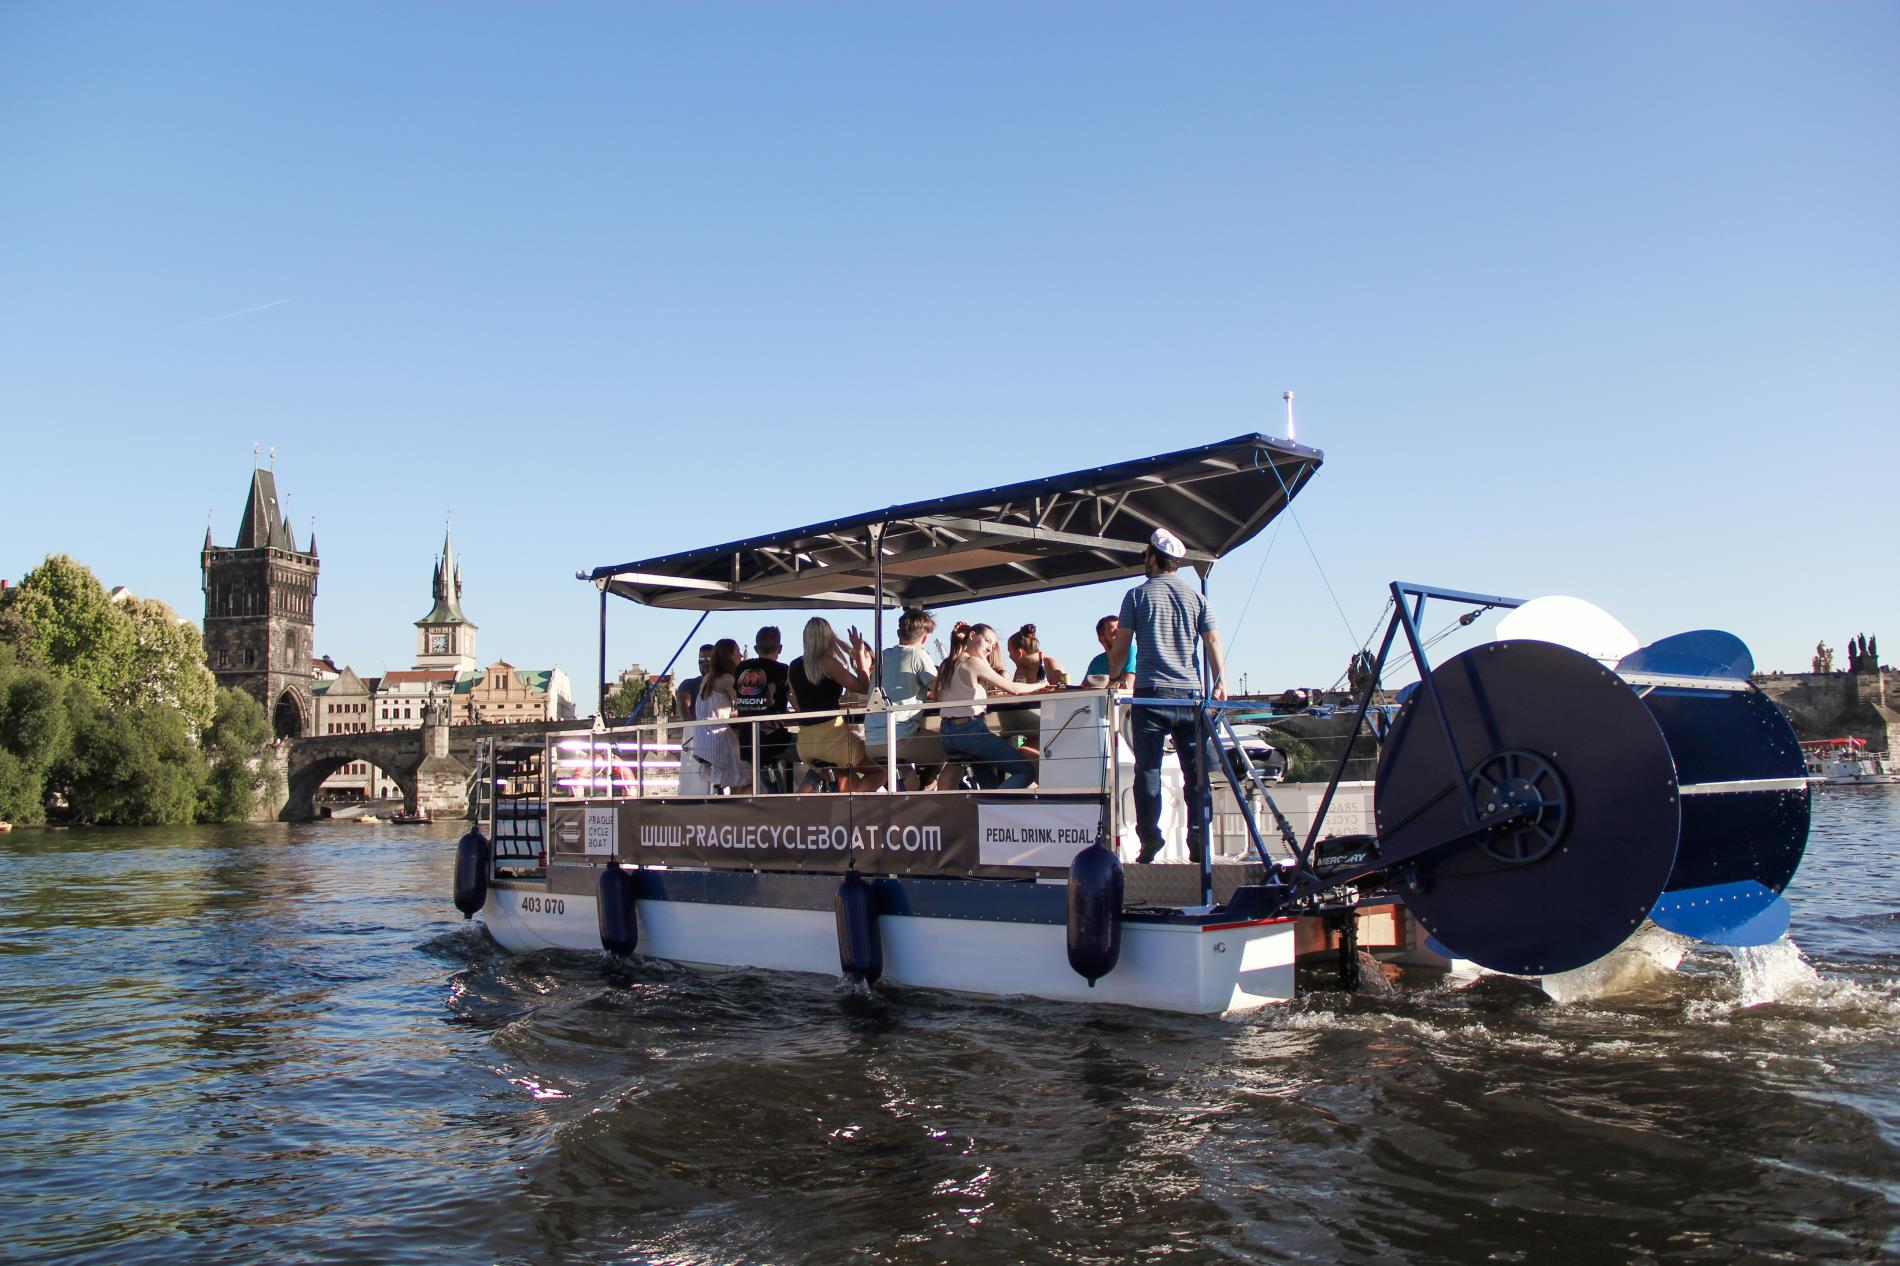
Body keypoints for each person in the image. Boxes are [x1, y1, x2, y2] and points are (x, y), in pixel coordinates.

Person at [1108, 528, 1228, 864]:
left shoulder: (1136, 596)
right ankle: (1198, 841)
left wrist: (1115, 676)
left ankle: (1150, 839)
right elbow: (1213, 642)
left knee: (1148, 771)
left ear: (1152, 557)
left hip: (1150, 694)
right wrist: (1219, 682)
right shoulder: (1196, 598)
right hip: (1189, 695)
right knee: (1196, 774)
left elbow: (1122, 644)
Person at [938, 623, 1049, 790]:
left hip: (947, 734)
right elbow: (1014, 689)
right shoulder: (973, 663)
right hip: (970, 732)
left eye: (993, 644)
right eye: (987, 641)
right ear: (972, 635)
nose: (990, 647)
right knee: (1026, 771)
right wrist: (1041, 685)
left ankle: (987, 807)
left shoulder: (947, 664)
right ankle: (995, 807)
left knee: (989, 783)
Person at [788, 618, 876, 791]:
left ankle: (842, 806)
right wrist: (859, 656)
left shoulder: (793, 666)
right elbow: (863, 687)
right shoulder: (827, 663)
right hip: (833, 738)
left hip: (806, 743)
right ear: (827, 637)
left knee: (844, 777)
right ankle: (850, 809)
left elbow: (797, 704)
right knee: (879, 773)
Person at [864, 607, 944, 789]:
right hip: (899, 739)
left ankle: (918, 791)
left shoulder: (884, 656)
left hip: (871, 741)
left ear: (899, 633)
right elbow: (941, 691)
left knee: (908, 783)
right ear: (925, 638)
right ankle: (930, 784)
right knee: (951, 746)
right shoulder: (918, 655)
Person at [733, 626, 796, 792]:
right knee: (817, 752)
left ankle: (782, 809)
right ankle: (808, 789)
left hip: (748, 744)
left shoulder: (741, 669)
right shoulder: (783, 671)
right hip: (775, 741)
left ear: (755, 648)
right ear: (780, 648)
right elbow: (795, 700)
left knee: (773, 791)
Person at [691, 639, 744, 793]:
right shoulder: (728, 679)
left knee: (736, 777)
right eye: (737, 652)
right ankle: (739, 810)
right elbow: (744, 706)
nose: (740, 655)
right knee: (748, 776)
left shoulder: (707, 678)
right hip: (717, 737)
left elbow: (711, 710)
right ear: (729, 656)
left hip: (701, 740)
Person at [674, 643, 716, 795]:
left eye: (709, 658)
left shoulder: (727, 682)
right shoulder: (690, 684)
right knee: (695, 785)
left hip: (721, 740)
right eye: (701, 659)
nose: (705, 662)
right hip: (697, 741)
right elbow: (682, 702)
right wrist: (690, 724)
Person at [1081, 615, 1135, 686]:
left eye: (1121, 631)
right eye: (1114, 632)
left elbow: (1127, 686)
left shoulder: (1130, 650)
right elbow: (1084, 687)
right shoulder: (1097, 662)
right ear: (1102, 639)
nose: (1120, 635)